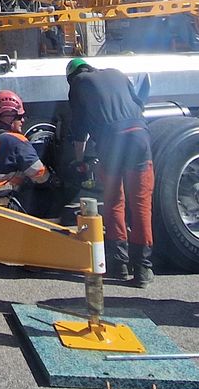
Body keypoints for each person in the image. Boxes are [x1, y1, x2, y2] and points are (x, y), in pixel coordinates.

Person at [63, 56, 154, 287]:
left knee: (114, 201)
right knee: (141, 203)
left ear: (71, 76)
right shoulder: (116, 72)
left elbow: (79, 126)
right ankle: (143, 270)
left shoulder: (78, 84)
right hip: (139, 137)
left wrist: (80, 160)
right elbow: (138, 103)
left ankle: (119, 264)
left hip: (111, 142)